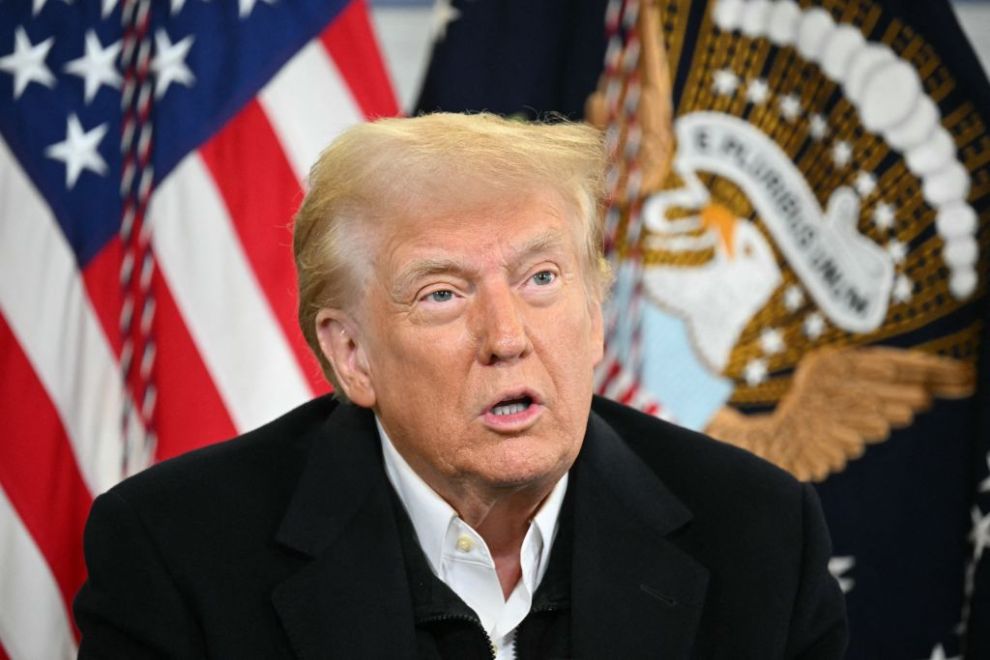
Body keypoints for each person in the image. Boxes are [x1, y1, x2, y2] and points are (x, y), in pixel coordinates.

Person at [75, 112, 848, 659]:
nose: (507, 337)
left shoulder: (759, 534)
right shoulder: (178, 552)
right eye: (443, 293)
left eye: (541, 278)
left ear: (596, 314)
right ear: (352, 356)